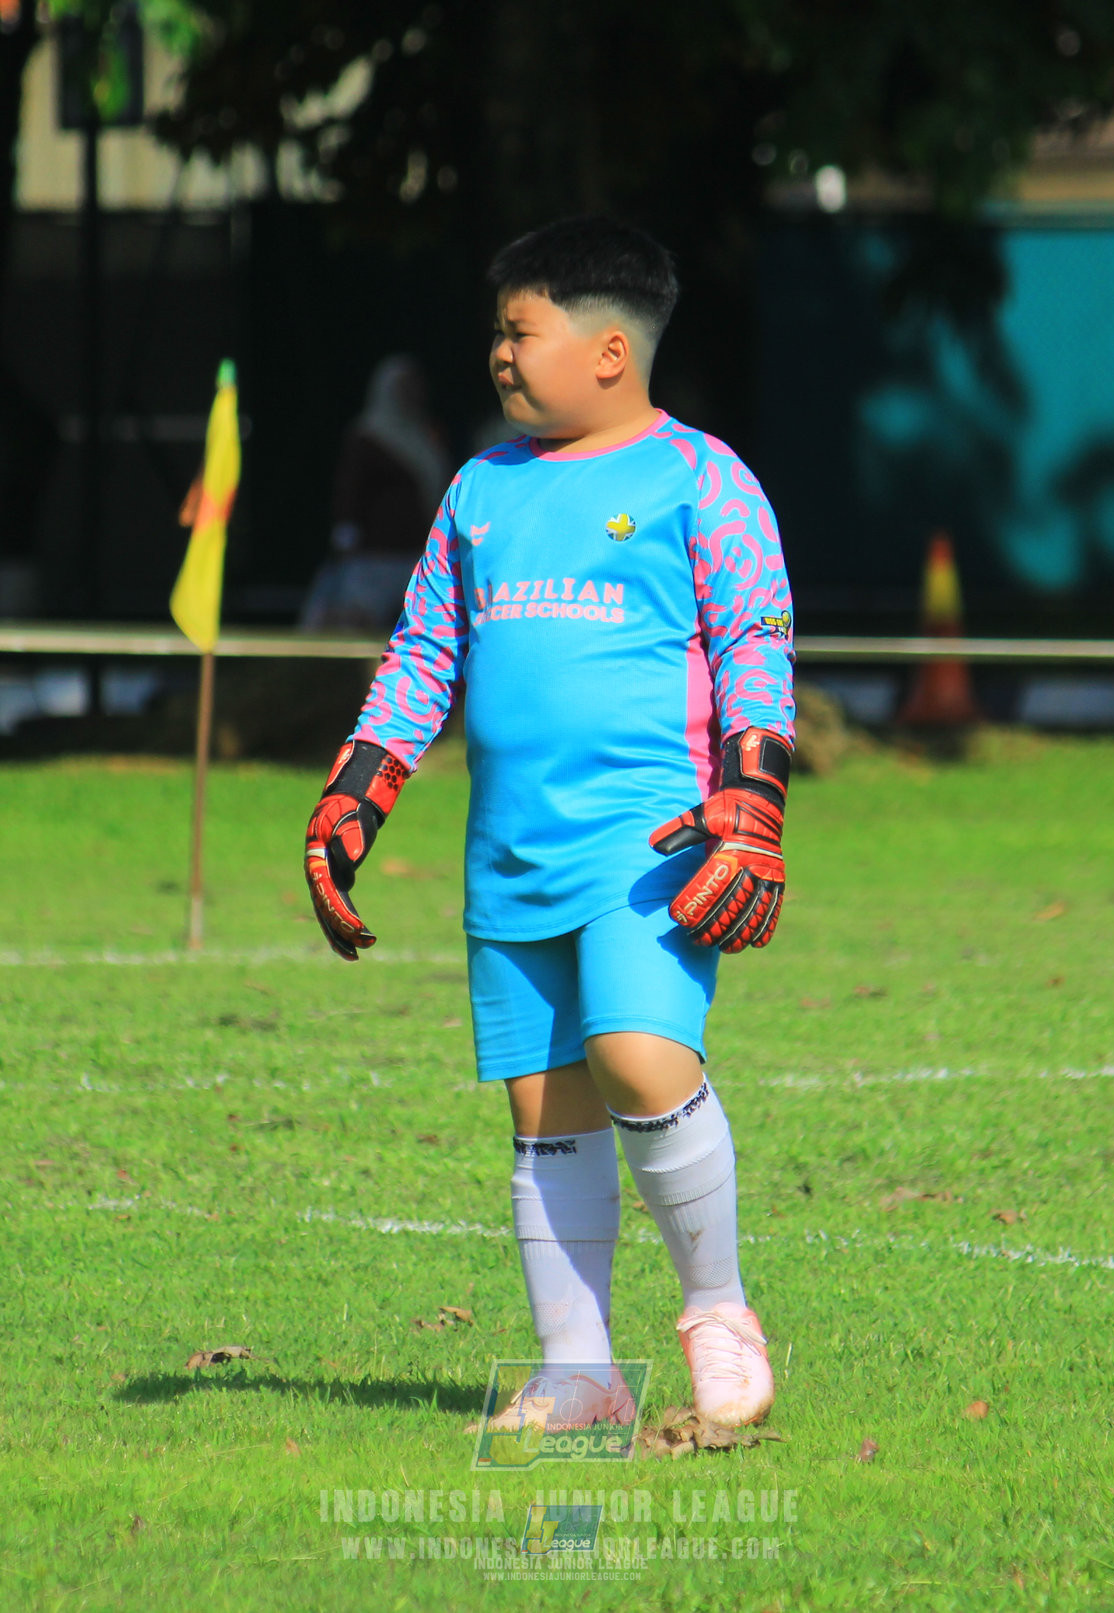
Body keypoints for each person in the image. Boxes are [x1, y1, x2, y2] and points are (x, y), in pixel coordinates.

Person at [301, 216, 796, 1430]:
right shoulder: (479, 490)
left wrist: (755, 803)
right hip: (507, 851)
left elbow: (754, 643)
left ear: (611, 350)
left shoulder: (702, 480)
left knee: (638, 1057)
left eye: (520, 332)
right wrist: (354, 796)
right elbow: (423, 651)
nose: (499, 356)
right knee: (543, 1106)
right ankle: (578, 1368)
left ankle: (719, 1316)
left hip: (649, 847)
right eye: (497, 333)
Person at [298, 354, 452, 632]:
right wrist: (345, 538)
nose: (411, 395)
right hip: (374, 557)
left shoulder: (426, 434)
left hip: (417, 554)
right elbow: (350, 488)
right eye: (403, 387)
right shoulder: (368, 435)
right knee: (359, 623)